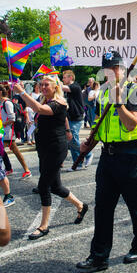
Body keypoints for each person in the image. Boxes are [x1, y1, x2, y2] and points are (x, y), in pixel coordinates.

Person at [76, 51, 137, 273]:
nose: (112, 71)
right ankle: (99, 256)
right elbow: (102, 123)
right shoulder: (104, 93)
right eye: (108, 67)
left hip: (130, 154)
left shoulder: (134, 90)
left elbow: (130, 124)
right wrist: (90, 142)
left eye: (116, 67)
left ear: (124, 68)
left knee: (135, 205)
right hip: (107, 156)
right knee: (103, 208)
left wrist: (119, 104)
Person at [13, 76, 89, 240]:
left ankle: (44, 226)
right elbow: (63, 118)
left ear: (55, 87)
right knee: (55, 186)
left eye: (47, 84)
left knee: (43, 185)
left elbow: (40, 110)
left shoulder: (59, 101)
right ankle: (81, 206)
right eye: (41, 85)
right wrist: (68, 130)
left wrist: (22, 93)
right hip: (44, 147)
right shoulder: (45, 100)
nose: (43, 87)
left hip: (56, 148)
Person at [61, 70, 93, 170]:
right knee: (71, 141)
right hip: (70, 117)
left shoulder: (75, 86)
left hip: (76, 117)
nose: (63, 79)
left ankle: (88, 154)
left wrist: (54, 77)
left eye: (65, 77)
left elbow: (61, 86)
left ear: (71, 78)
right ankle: (77, 164)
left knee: (72, 139)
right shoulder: (70, 88)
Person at [0, 85, 31, 179]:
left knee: (7, 151)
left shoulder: (7, 103)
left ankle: (25, 170)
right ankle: (26, 170)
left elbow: (12, 119)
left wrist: (2, 124)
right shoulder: (2, 102)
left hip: (7, 132)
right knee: (16, 152)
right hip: (4, 132)